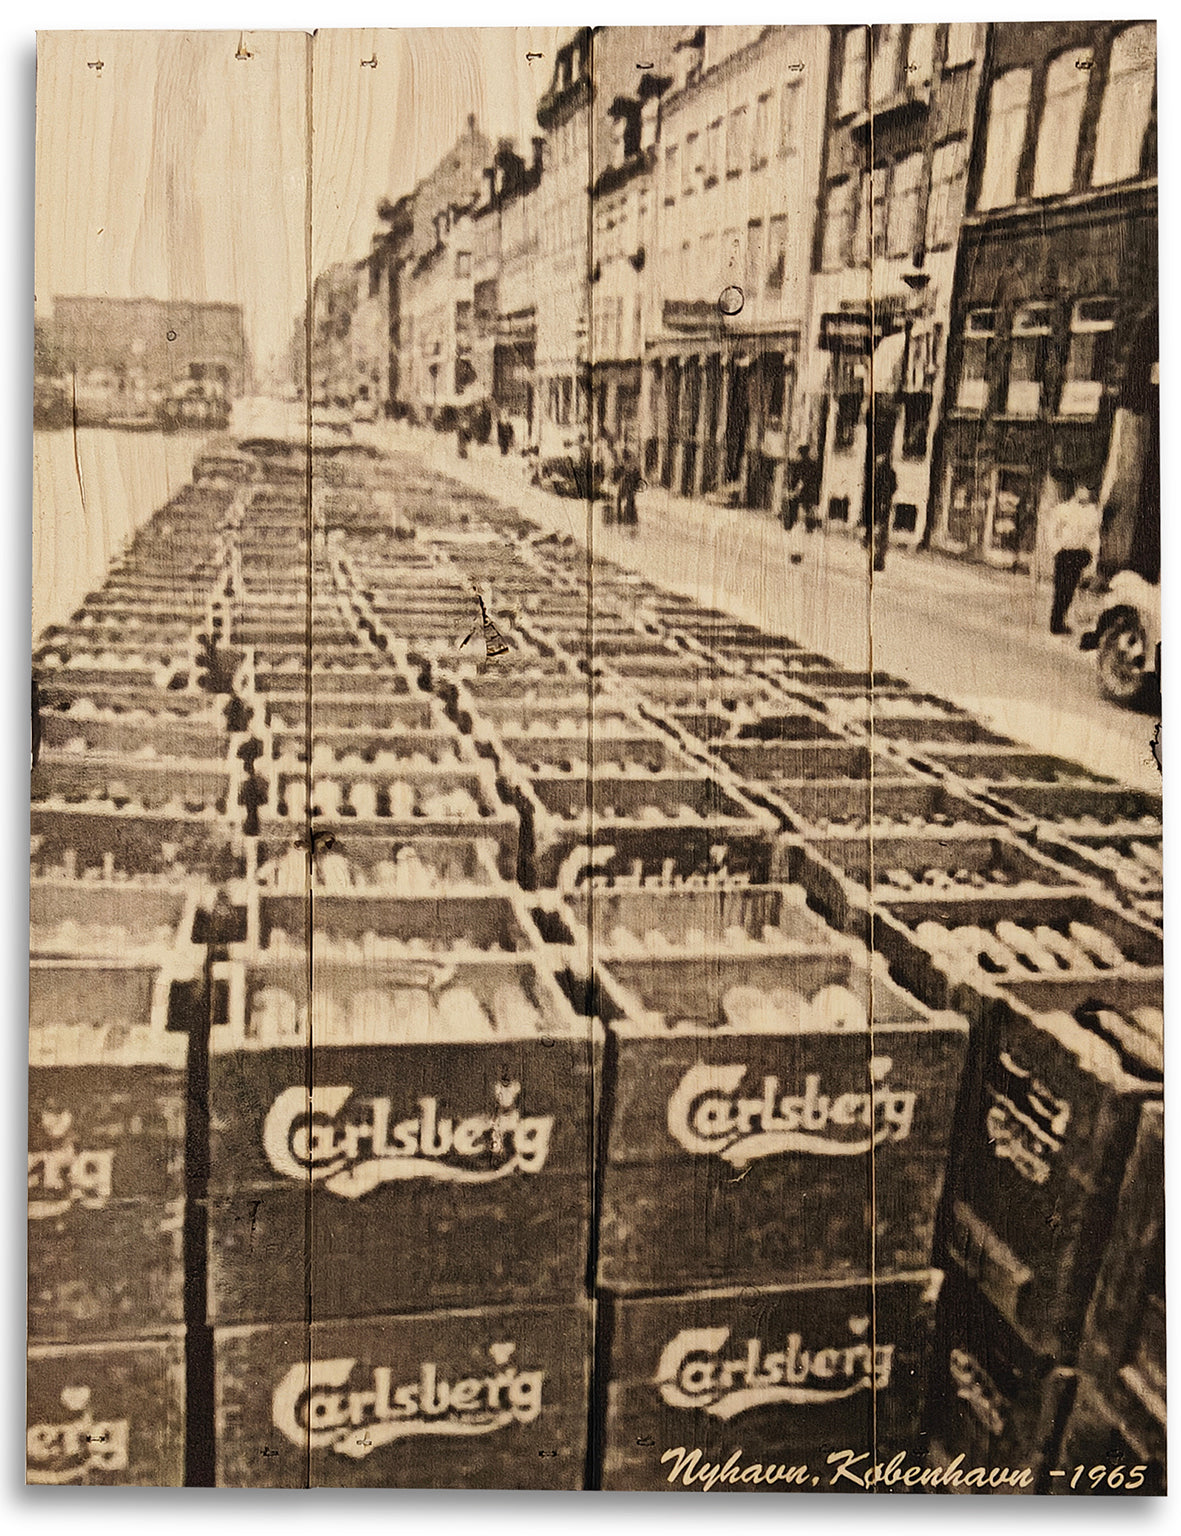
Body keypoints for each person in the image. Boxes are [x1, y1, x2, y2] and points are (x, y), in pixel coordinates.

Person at [1046, 482, 1102, 635]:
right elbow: (1052, 530)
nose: (1084, 493)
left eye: (1088, 490)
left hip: (1080, 554)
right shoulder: (1063, 509)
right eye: (1082, 489)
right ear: (1076, 490)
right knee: (1060, 589)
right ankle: (1055, 623)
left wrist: (1092, 555)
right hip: (1065, 553)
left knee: (1070, 589)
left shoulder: (1092, 512)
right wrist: (1057, 549)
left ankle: (1061, 621)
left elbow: (1094, 536)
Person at [867, 448, 897, 573]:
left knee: (880, 532)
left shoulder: (885, 473)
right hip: (881, 504)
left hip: (882, 505)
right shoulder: (888, 473)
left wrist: (883, 500)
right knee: (880, 533)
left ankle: (878, 560)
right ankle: (878, 560)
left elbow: (891, 488)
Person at [783, 444, 822, 535]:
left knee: (801, 507)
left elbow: (799, 478)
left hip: (805, 490)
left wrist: (795, 489)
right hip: (807, 490)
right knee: (807, 508)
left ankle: (791, 525)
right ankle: (808, 527)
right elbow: (795, 478)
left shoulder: (802, 464)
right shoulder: (810, 464)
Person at [616, 446, 642, 532]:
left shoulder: (632, 462)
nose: (623, 457)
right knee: (623, 499)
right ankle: (625, 517)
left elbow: (636, 473)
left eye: (624, 455)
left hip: (630, 482)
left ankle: (629, 518)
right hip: (627, 482)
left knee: (628, 500)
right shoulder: (627, 462)